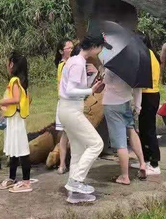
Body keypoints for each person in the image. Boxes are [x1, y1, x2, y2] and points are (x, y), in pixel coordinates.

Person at [57, 34, 107, 204]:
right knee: (96, 144)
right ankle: (76, 181)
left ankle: (74, 193)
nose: (100, 51)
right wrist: (91, 90)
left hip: (69, 109)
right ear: (94, 47)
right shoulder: (78, 63)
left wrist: (92, 80)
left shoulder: (75, 61)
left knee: (78, 150)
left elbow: (77, 88)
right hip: (71, 110)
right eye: (100, 48)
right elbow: (71, 90)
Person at [102, 64, 148, 185]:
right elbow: (138, 88)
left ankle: (124, 176)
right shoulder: (134, 65)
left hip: (112, 104)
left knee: (120, 143)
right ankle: (142, 163)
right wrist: (137, 106)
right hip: (126, 102)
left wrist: (102, 72)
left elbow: (106, 81)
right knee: (131, 131)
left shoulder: (113, 64)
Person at [0, 52, 33, 193]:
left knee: (21, 149)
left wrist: (2, 102)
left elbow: (16, 99)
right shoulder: (22, 82)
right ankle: (12, 178)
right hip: (15, 118)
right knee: (14, 149)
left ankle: (26, 181)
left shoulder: (14, 81)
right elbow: (28, 99)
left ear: (12, 64)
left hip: (16, 120)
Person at [134, 32, 161, 175]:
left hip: (148, 95)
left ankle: (154, 164)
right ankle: (145, 160)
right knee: (144, 129)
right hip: (150, 95)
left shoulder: (145, 56)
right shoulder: (150, 54)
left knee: (149, 130)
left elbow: (139, 80)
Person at [54, 38, 75, 174]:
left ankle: (64, 164)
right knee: (67, 135)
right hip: (67, 102)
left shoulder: (68, 64)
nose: (72, 50)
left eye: (73, 47)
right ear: (61, 51)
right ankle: (64, 164)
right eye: (69, 48)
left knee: (67, 135)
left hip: (66, 102)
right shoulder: (64, 65)